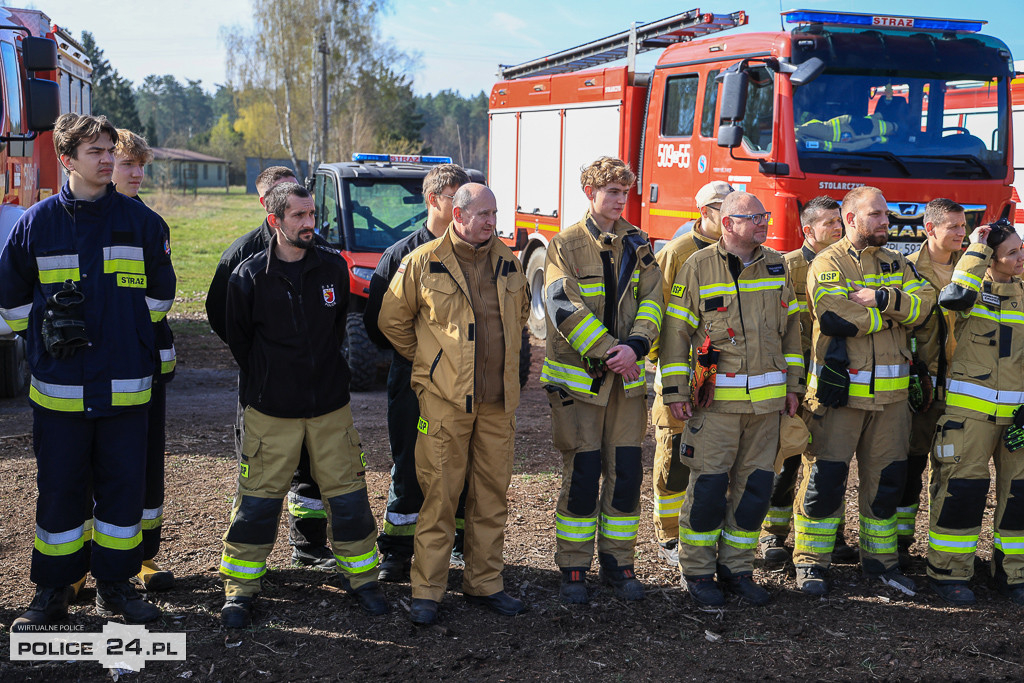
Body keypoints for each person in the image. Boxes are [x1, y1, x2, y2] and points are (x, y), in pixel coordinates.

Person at [1, 113, 174, 628]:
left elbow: (161, 299)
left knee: (123, 492)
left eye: (108, 151)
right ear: (67, 159)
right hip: (60, 393)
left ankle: (116, 590)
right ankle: (52, 593)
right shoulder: (37, 223)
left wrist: (121, 330)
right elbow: (10, 304)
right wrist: (47, 335)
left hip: (124, 389)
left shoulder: (144, 224)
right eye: (95, 152)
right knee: (59, 493)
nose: (106, 160)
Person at [219, 183, 385, 628]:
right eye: (298, 216)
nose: (309, 223)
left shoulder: (332, 268)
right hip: (270, 410)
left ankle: (363, 579)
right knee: (256, 504)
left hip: (330, 409)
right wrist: (275, 378)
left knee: (349, 498)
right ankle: (240, 589)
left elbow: (334, 333)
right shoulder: (248, 276)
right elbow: (240, 341)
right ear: (275, 221)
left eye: (311, 214)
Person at [378, 183, 530, 625]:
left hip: (498, 405)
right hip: (445, 403)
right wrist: (431, 362)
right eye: (482, 213)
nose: (491, 221)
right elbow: (392, 320)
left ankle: (485, 583)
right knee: (440, 496)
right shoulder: (424, 262)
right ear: (458, 216)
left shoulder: (507, 261)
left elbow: (519, 319)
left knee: (490, 496)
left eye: (494, 213)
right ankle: (427, 590)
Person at [661, 191, 802, 607]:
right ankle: (699, 571)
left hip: (767, 408)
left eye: (765, 216)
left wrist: (793, 385)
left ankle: (737, 567)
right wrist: (674, 391)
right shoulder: (698, 267)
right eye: (754, 217)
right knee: (707, 488)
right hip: (716, 407)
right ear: (728, 223)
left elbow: (791, 329)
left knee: (755, 489)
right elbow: (676, 334)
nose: (764, 223)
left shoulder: (777, 264)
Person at [794, 186, 934, 596]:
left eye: (886, 215)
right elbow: (837, 315)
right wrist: (894, 317)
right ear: (851, 218)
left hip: (891, 404)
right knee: (824, 481)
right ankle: (810, 562)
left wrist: (883, 299)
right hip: (839, 399)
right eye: (875, 215)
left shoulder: (896, 263)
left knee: (886, 483)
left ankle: (880, 563)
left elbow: (926, 304)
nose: (884, 222)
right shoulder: (827, 261)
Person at [542, 157, 663, 604]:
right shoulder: (565, 245)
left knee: (627, 474)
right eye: (610, 191)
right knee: (583, 473)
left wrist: (635, 345)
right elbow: (562, 308)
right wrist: (612, 352)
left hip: (627, 384)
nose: (618, 200)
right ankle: (573, 567)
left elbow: (654, 299)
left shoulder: (639, 242)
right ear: (588, 192)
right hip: (582, 387)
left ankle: (619, 563)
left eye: (624, 192)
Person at [206, 166, 335, 570]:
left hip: (316, 392)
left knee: (311, 473)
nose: (303, 217)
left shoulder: (322, 253)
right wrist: (263, 362)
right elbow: (222, 318)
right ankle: (248, 561)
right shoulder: (241, 256)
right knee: (258, 474)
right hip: (264, 390)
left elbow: (335, 318)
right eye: (282, 199)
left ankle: (310, 547)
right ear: (267, 207)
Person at [364, 163, 471, 582]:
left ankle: (458, 545)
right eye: (456, 199)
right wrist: (424, 359)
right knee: (409, 463)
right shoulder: (402, 255)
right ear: (434, 200)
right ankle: (396, 550)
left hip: (464, 386)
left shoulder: (477, 252)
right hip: (412, 381)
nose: (465, 209)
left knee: (461, 463)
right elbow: (378, 324)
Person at [927, 220, 1024, 606]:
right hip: (969, 418)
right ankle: (949, 573)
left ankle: (1012, 573)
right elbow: (953, 298)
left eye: (1022, 249)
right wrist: (977, 247)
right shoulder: (968, 291)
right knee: (961, 492)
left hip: (1017, 419)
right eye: (1012, 252)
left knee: (1019, 495)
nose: (1021, 258)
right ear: (991, 258)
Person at [759, 195, 859, 567]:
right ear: (808, 229)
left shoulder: (852, 266)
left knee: (827, 465)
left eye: (840, 221)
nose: (838, 228)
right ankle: (773, 536)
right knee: (784, 461)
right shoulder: (784, 268)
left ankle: (826, 537)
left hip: (832, 383)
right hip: (791, 383)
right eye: (829, 223)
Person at [649, 180, 732, 567]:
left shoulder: (738, 252)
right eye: (721, 208)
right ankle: (668, 535)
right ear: (704, 212)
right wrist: (669, 376)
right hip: (679, 372)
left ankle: (700, 529)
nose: (729, 214)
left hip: (720, 378)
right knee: (674, 456)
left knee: (711, 456)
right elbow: (658, 310)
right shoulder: (678, 252)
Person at [110, 128, 177, 592]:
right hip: (95, 367)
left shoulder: (150, 222)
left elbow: (160, 299)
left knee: (147, 463)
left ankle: (141, 555)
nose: (137, 174)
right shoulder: (70, 219)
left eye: (141, 166)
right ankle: (86, 564)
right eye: (126, 164)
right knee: (91, 467)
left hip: (146, 362)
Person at [901, 199, 966, 564]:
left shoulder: (975, 270)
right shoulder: (907, 271)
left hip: (962, 393)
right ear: (930, 229)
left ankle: (942, 552)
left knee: (952, 472)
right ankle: (899, 543)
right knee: (910, 467)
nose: (962, 233)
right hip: (920, 394)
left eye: (963, 226)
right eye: (953, 227)